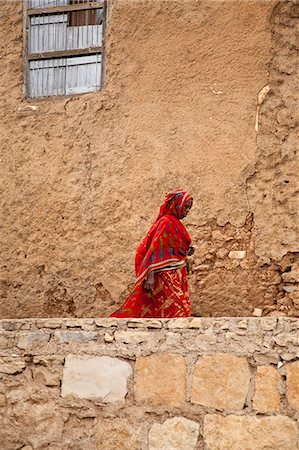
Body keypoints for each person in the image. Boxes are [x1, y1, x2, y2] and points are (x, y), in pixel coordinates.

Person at [110, 190, 194, 318]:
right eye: (186, 207)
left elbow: (172, 249)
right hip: (164, 276)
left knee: (174, 310)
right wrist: (150, 277)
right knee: (178, 309)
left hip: (176, 274)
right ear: (177, 205)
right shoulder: (165, 222)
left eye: (189, 208)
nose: (187, 211)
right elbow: (154, 250)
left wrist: (186, 252)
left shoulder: (176, 224)